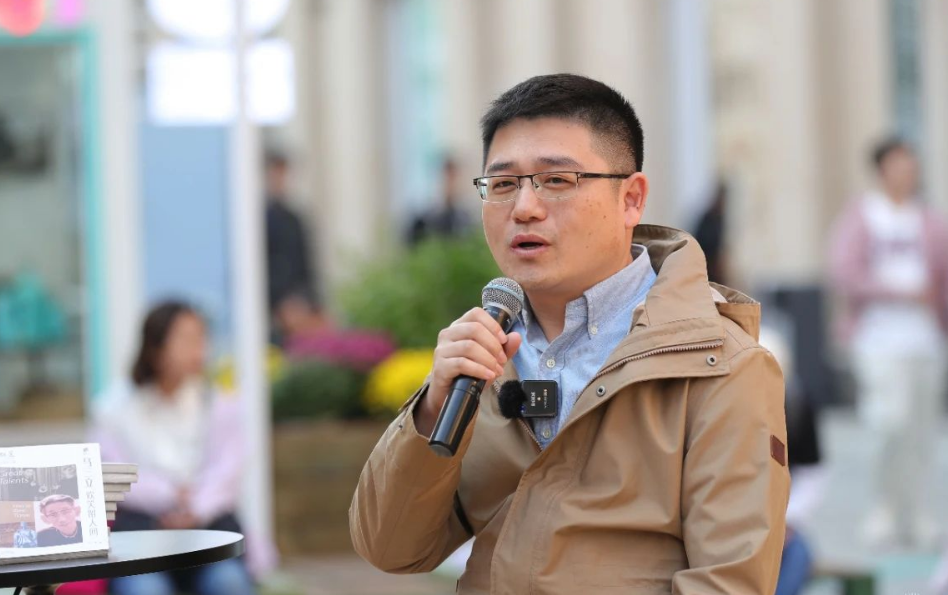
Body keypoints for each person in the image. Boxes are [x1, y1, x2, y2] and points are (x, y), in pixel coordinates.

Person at [350, 74, 790, 594]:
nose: (524, 208)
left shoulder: (722, 366)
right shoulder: (485, 357)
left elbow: (727, 584)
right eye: (503, 185)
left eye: (557, 180)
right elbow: (390, 548)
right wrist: (431, 410)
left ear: (631, 199)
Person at [829, 137, 948, 550]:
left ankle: (918, 513)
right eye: (898, 164)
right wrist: (900, 293)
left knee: (921, 432)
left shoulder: (928, 219)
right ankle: (884, 510)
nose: (906, 172)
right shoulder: (863, 216)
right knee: (888, 423)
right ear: (882, 169)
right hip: (878, 339)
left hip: (925, 341)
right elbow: (845, 273)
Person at [93, 301, 258, 595]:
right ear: (155, 346)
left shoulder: (219, 402)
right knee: (146, 589)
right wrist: (168, 495)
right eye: (186, 339)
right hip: (140, 537)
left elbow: (229, 469)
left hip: (209, 533)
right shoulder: (115, 407)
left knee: (229, 583)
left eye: (201, 338)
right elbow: (109, 471)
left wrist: (195, 508)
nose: (198, 349)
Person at [264, 150, 320, 318]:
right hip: (270, 303)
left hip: (297, 300)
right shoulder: (255, 221)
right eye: (275, 174)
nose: (280, 180)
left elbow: (304, 264)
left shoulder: (293, 219)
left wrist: (309, 301)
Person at [408, 157, 474, 245]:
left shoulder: (465, 219)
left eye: (453, 179)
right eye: (446, 178)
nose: (450, 185)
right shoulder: (422, 221)